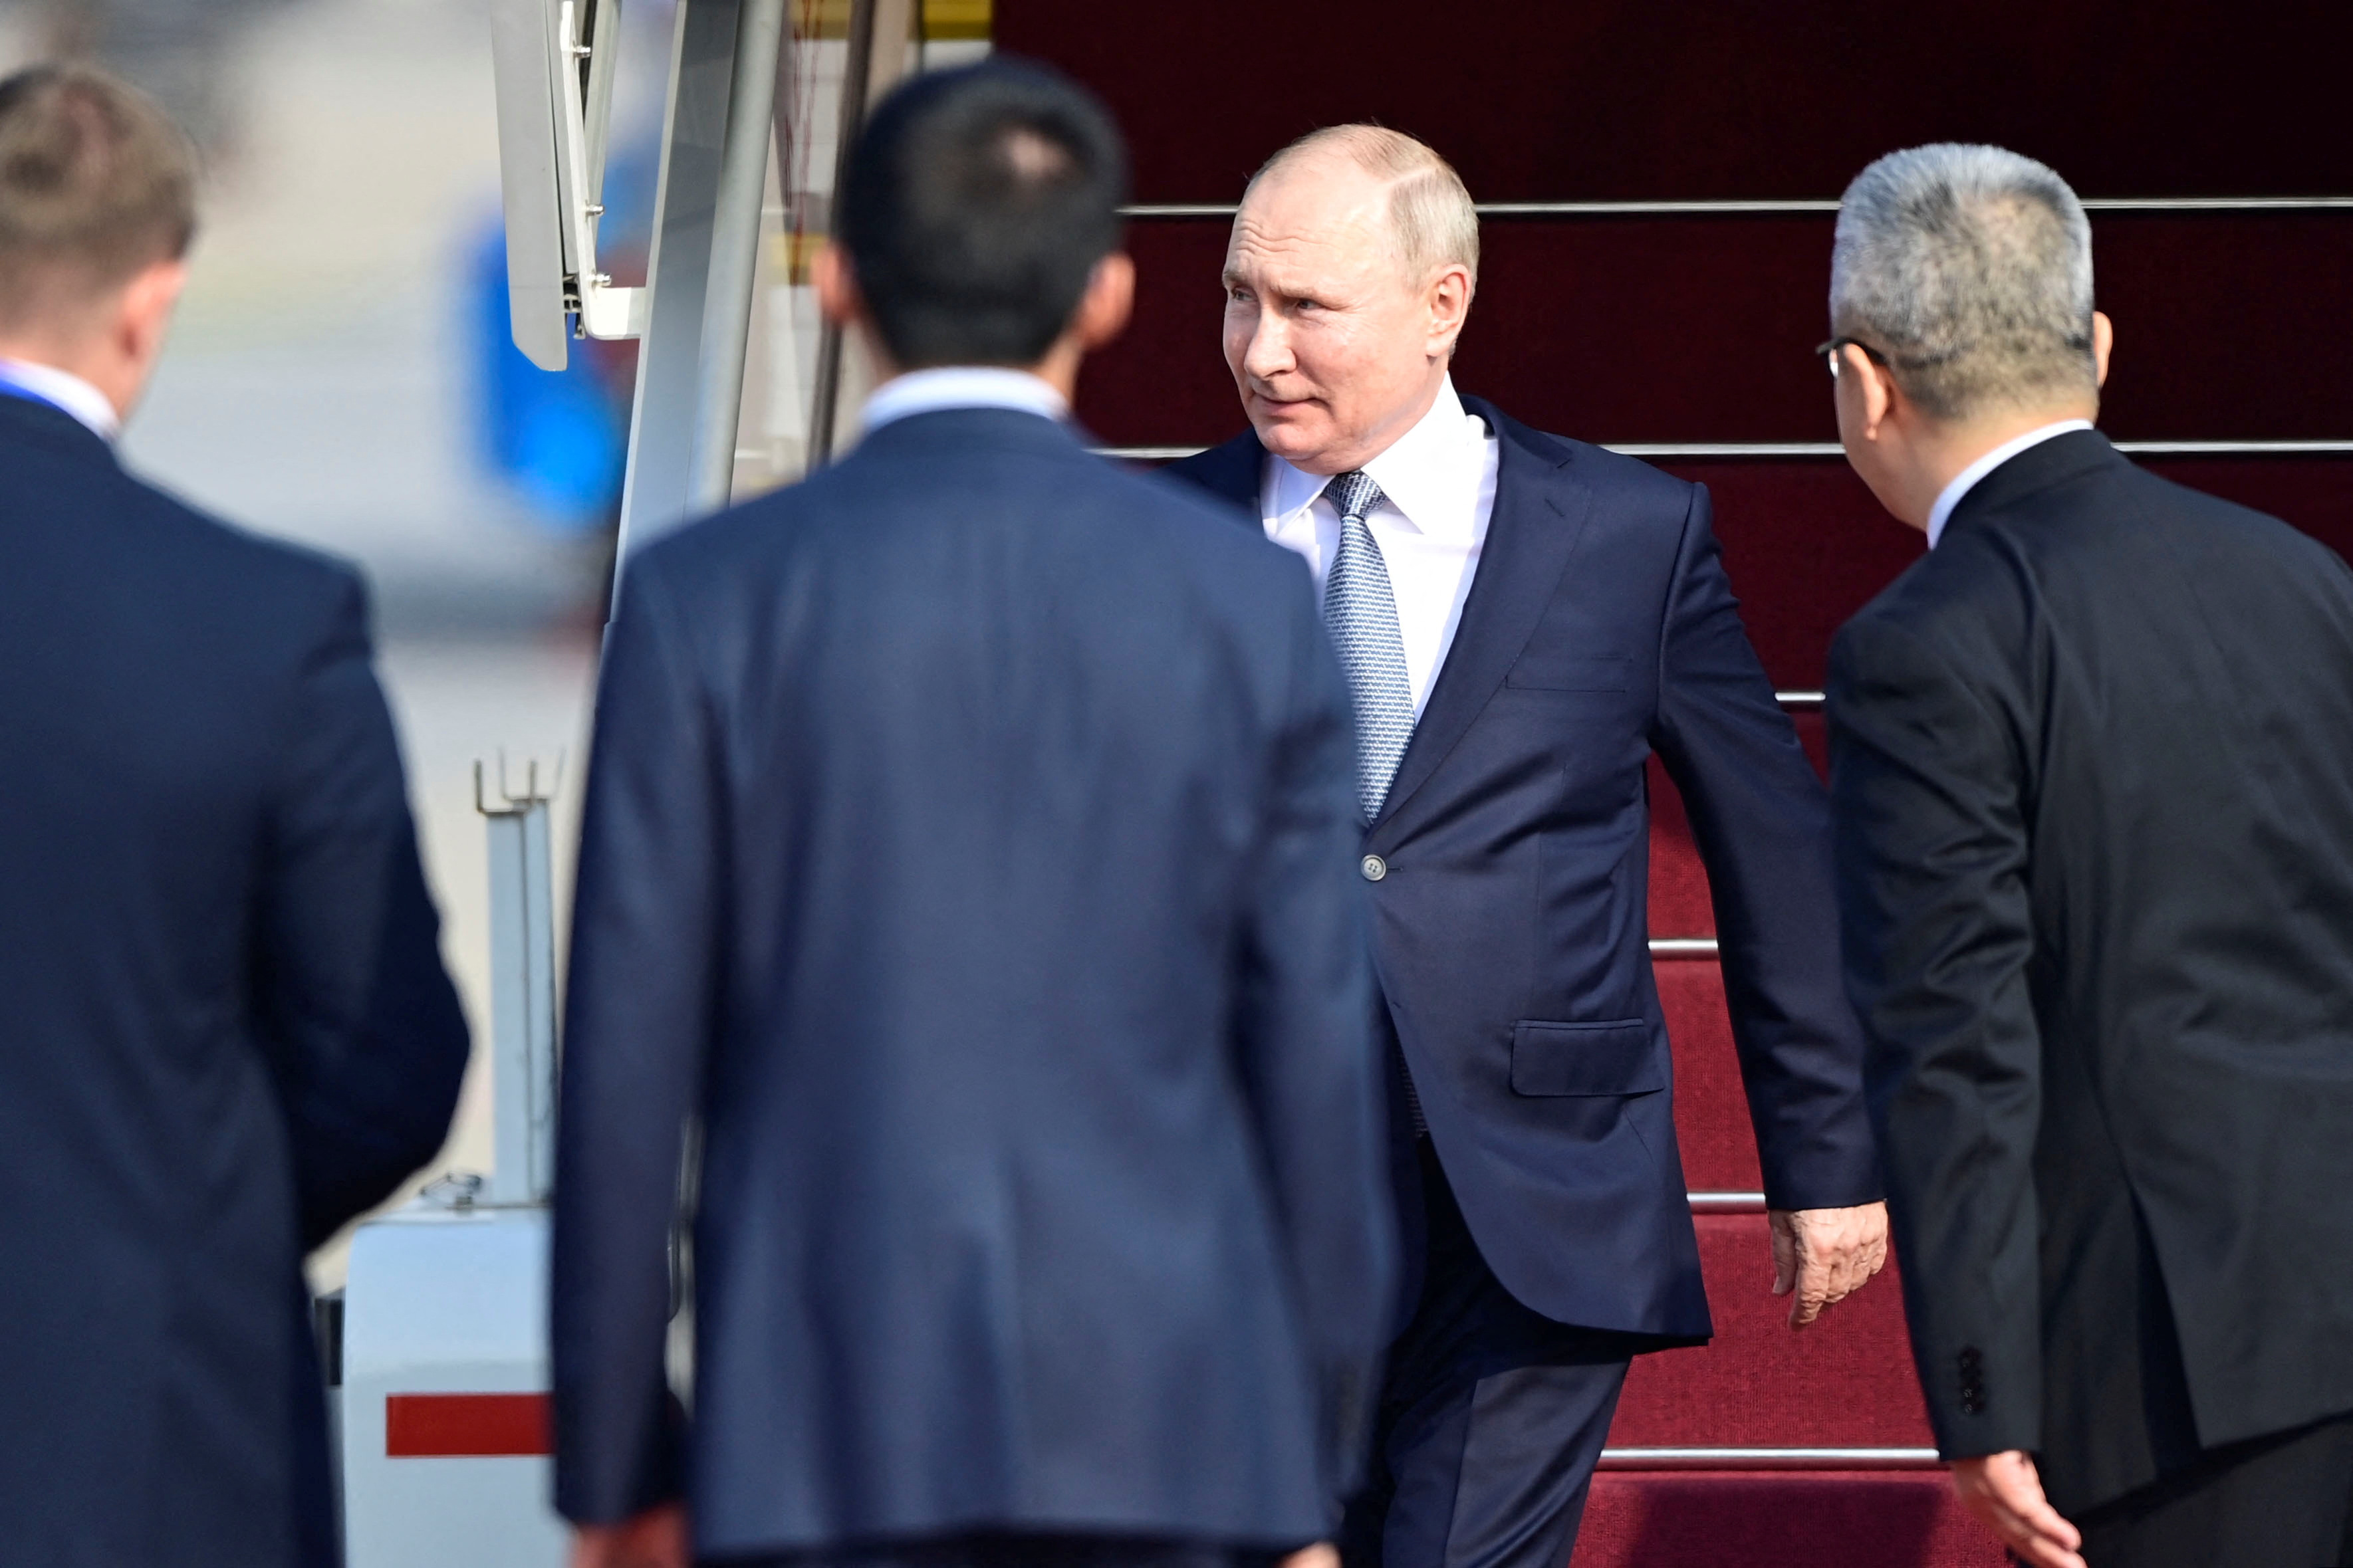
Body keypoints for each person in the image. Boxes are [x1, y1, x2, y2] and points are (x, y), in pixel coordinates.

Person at [551, 61, 1396, 1568]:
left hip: (816, 1438)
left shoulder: (706, 599)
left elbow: (628, 1065)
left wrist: (617, 1468)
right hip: (1173, 1439)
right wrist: (1305, 1461)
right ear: (1112, 292)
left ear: (838, 283)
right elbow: (1314, 1056)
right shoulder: (1245, 606)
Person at [1164, 126, 1888, 1568]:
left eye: (1308, 308)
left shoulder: (1625, 532)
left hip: (1534, 1190)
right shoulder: (1149, 534)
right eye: (1242, 297)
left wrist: (1827, 1156)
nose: (1261, 348)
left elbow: (1771, 849)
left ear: (1444, 304)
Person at [1823, 143, 2353, 1568]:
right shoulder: (2303, 577)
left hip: (2169, 1371)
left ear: (1863, 384)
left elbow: (1955, 1042)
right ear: (2099, 347)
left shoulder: (1923, 645)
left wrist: (1982, 1390)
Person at [0, 65, 470, 1567]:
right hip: (152, 1435)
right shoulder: (258, 622)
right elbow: (388, 1058)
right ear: (153, 296)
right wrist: (195, 1222)